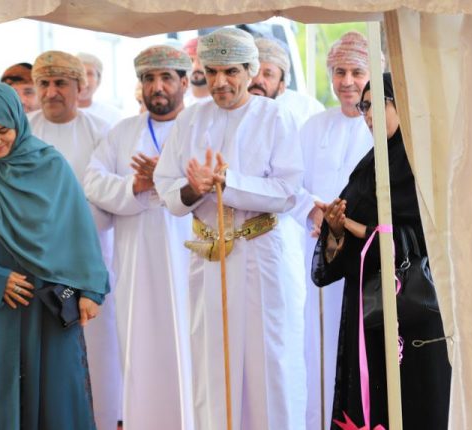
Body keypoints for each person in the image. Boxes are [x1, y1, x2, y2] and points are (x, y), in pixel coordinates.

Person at [154, 27, 306, 430]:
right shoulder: (191, 119)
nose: (220, 82)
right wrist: (194, 188)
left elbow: (288, 191)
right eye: (212, 71)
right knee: (212, 364)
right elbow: (166, 186)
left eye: (231, 71)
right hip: (209, 260)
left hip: (261, 258)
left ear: (251, 70)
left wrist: (227, 182)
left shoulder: (275, 117)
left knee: (268, 365)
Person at [0, 82, 109, 429]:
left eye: (2, 130)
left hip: (49, 305)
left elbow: (78, 230)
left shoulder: (52, 166)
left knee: (56, 401)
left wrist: (90, 289)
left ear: (18, 120)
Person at [311, 72, 451, 429]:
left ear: (402, 103)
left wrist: (359, 229)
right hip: (369, 310)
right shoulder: (371, 164)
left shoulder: (426, 164)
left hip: (414, 310)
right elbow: (343, 243)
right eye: (364, 107)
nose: (368, 115)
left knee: (417, 403)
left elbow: (430, 237)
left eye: (376, 105)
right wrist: (336, 229)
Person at [83, 45, 194, 430]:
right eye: (149, 78)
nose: (157, 86)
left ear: (184, 82)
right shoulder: (122, 132)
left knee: (193, 350)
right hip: (137, 263)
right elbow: (93, 182)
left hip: (192, 258)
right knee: (141, 349)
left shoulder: (201, 126)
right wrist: (137, 185)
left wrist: (167, 179)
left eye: (166, 78)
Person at [29, 50, 122, 430]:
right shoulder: (22, 130)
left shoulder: (103, 130)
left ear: (80, 87)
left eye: (61, 83)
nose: (52, 91)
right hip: (35, 259)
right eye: (44, 83)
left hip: (91, 257)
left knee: (98, 351)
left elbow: (107, 195)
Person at [294, 30, 374, 430]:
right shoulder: (313, 127)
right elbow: (291, 184)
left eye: (357, 72)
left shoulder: (383, 127)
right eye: (339, 72)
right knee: (318, 349)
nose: (347, 82)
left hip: (366, 260)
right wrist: (313, 211)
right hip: (320, 258)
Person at [248, 37, 324, 126]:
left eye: (268, 74)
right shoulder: (233, 109)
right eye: (253, 72)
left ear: (282, 85)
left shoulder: (307, 110)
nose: (258, 80)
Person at [77, 52, 123, 126]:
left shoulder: (112, 115)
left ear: (98, 81)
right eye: (79, 73)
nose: (84, 79)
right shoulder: (58, 114)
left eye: (89, 74)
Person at [182, 37, 211, 106]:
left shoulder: (226, 103)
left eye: (202, 60)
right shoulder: (178, 104)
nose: (195, 66)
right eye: (190, 60)